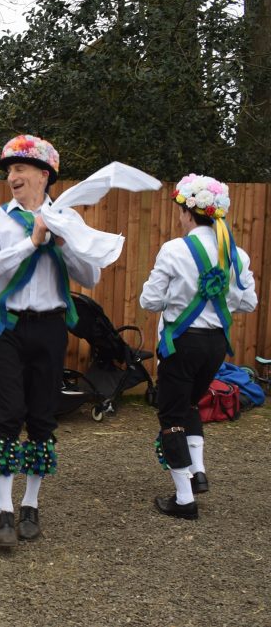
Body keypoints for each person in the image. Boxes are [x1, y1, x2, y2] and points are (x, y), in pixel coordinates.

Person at [0, 135, 100, 548]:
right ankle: (3, 510)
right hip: (6, 328)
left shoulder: (68, 218)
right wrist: (30, 243)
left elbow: (92, 276)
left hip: (50, 328)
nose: (12, 176)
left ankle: (31, 505)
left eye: (20, 168)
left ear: (44, 175)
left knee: (43, 417)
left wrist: (63, 243)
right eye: (9, 170)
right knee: (7, 415)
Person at [140, 174, 257, 519]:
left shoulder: (174, 250)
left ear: (188, 213)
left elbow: (149, 301)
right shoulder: (236, 255)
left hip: (182, 344)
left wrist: (178, 299)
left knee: (171, 416)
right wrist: (215, 301)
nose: (179, 218)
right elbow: (248, 302)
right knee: (190, 404)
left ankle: (184, 499)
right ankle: (198, 471)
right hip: (216, 345)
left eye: (181, 212)